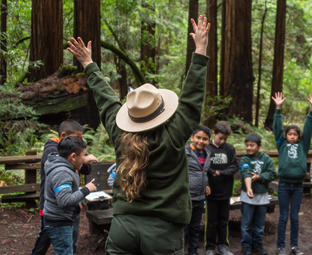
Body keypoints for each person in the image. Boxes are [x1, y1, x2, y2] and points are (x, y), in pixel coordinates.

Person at [66, 15, 210, 254]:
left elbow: (106, 100)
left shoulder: (120, 133)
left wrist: (89, 64)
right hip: (163, 232)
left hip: (123, 228)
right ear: (162, 110)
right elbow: (191, 99)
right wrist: (201, 52)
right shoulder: (174, 134)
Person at [31, 119, 97, 255]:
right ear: (63, 136)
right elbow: (64, 198)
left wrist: (82, 158)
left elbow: (84, 169)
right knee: (46, 237)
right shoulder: (54, 152)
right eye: (77, 138)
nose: (81, 140)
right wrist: (85, 189)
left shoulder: (70, 154)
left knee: (66, 243)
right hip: (54, 207)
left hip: (67, 209)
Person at [272, 92, 312, 255]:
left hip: (298, 186)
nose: (292, 137)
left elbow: (309, 128)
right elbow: (277, 128)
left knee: (295, 217)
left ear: (298, 137)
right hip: (283, 185)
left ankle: (294, 246)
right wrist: (278, 108)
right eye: (289, 134)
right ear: (286, 136)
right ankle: (281, 246)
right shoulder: (281, 145)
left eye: (294, 134)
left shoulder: (303, 146)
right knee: (283, 217)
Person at [240, 133, 276, 255]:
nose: (249, 148)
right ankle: (246, 247)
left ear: (259, 146)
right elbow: (246, 173)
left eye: (252, 145)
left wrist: (260, 177)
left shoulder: (266, 159)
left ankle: (257, 246)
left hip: (262, 198)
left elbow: (272, 174)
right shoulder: (245, 159)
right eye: (247, 145)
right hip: (247, 197)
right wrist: (249, 188)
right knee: (246, 225)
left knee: (259, 226)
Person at [205, 121, 238, 255]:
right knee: (211, 221)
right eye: (220, 138)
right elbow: (203, 168)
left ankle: (223, 245)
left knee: (224, 220)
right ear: (214, 133)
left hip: (225, 191)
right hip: (211, 192)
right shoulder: (207, 148)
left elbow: (234, 166)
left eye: (225, 139)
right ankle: (210, 247)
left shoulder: (229, 149)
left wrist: (221, 172)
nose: (222, 141)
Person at [186, 125, 212, 255]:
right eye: (198, 137)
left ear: (209, 141)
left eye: (205, 139)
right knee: (184, 227)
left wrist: (206, 184)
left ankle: (193, 251)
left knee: (195, 227)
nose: (201, 141)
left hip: (200, 197)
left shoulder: (207, 154)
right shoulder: (184, 153)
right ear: (192, 137)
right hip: (186, 197)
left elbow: (204, 172)